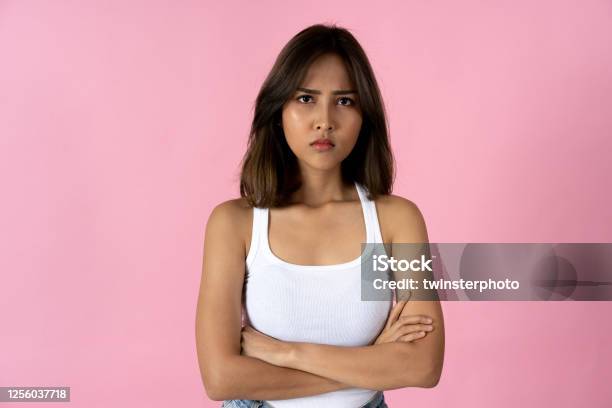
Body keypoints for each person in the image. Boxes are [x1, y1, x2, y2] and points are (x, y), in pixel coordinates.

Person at [196, 23, 445, 408]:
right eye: (306, 99)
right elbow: (221, 378)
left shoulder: (395, 221)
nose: (325, 120)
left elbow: (423, 366)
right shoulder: (236, 224)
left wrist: (286, 353)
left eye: (344, 101)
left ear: (365, 115)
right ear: (278, 109)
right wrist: (370, 362)